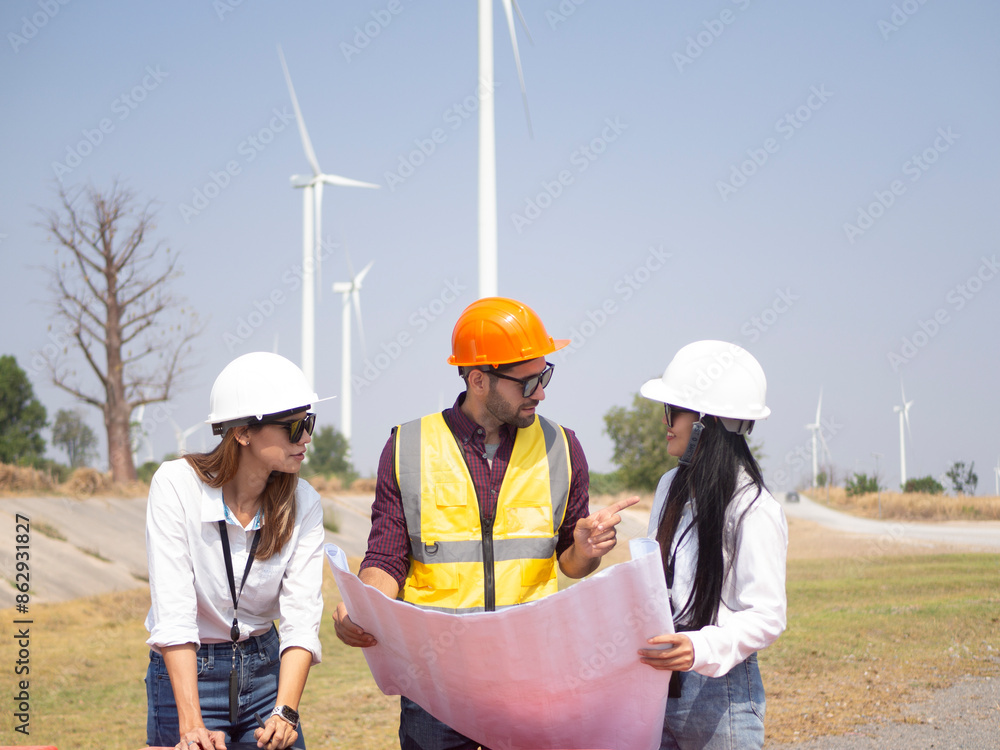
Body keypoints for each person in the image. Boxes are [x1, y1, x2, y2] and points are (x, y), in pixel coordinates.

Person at [333, 297, 638, 750]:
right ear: (478, 379)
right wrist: (363, 605)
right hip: (436, 683)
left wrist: (586, 550)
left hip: (531, 675)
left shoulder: (563, 447)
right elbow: (386, 556)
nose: (541, 391)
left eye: (545, 374)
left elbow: (570, 566)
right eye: (529, 381)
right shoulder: (406, 447)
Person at [145, 352, 330, 750]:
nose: (306, 438)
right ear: (242, 433)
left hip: (266, 673)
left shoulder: (304, 502)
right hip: (187, 673)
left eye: (309, 422)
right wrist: (191, 722)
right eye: (294, 427)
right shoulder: (176, 487)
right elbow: (173, 613)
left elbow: (301, 617)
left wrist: (286, 710)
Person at [636, 340, 787, 750]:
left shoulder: (752, 506)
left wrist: (697, 647)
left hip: (721, 697)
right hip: (659, 686)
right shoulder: (669, 486)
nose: (665, 422)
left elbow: (767, 614)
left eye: (674, 411)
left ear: (707, 421)